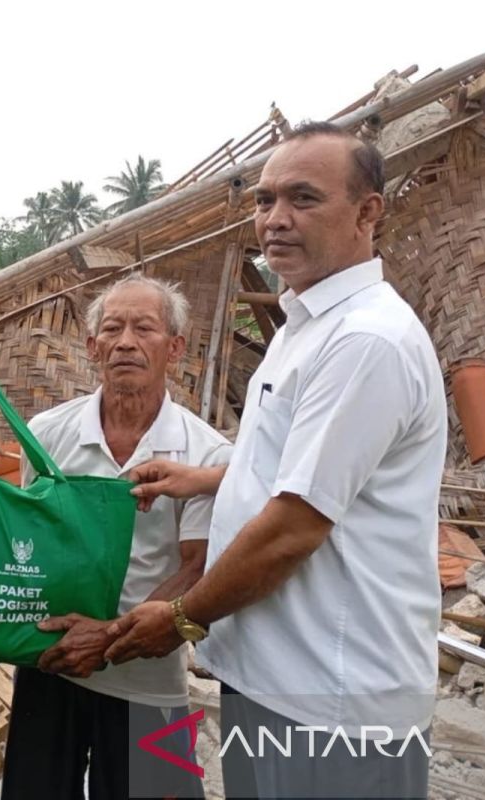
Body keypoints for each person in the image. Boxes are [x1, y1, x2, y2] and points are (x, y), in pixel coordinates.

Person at [116, 121, 448, 799]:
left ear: (367, 211)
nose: (275, 220)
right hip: (276, 677)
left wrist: (182, 617)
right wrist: (213, 477)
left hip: (333, 696)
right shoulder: (309, 325)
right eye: (265, 201)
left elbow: (296, 523)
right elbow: (304, 464)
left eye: (303, 198)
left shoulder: (365, 342)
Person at [0, 275, 231, 799]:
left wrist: (105, 638)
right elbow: (30, 549)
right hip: (52, 664)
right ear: (92, 346)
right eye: (113, 328)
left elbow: (196, 568)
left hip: (149, 679)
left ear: (174, 348)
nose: (126, 341)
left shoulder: (206, 453)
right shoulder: (47, 434)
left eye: (144, 328)